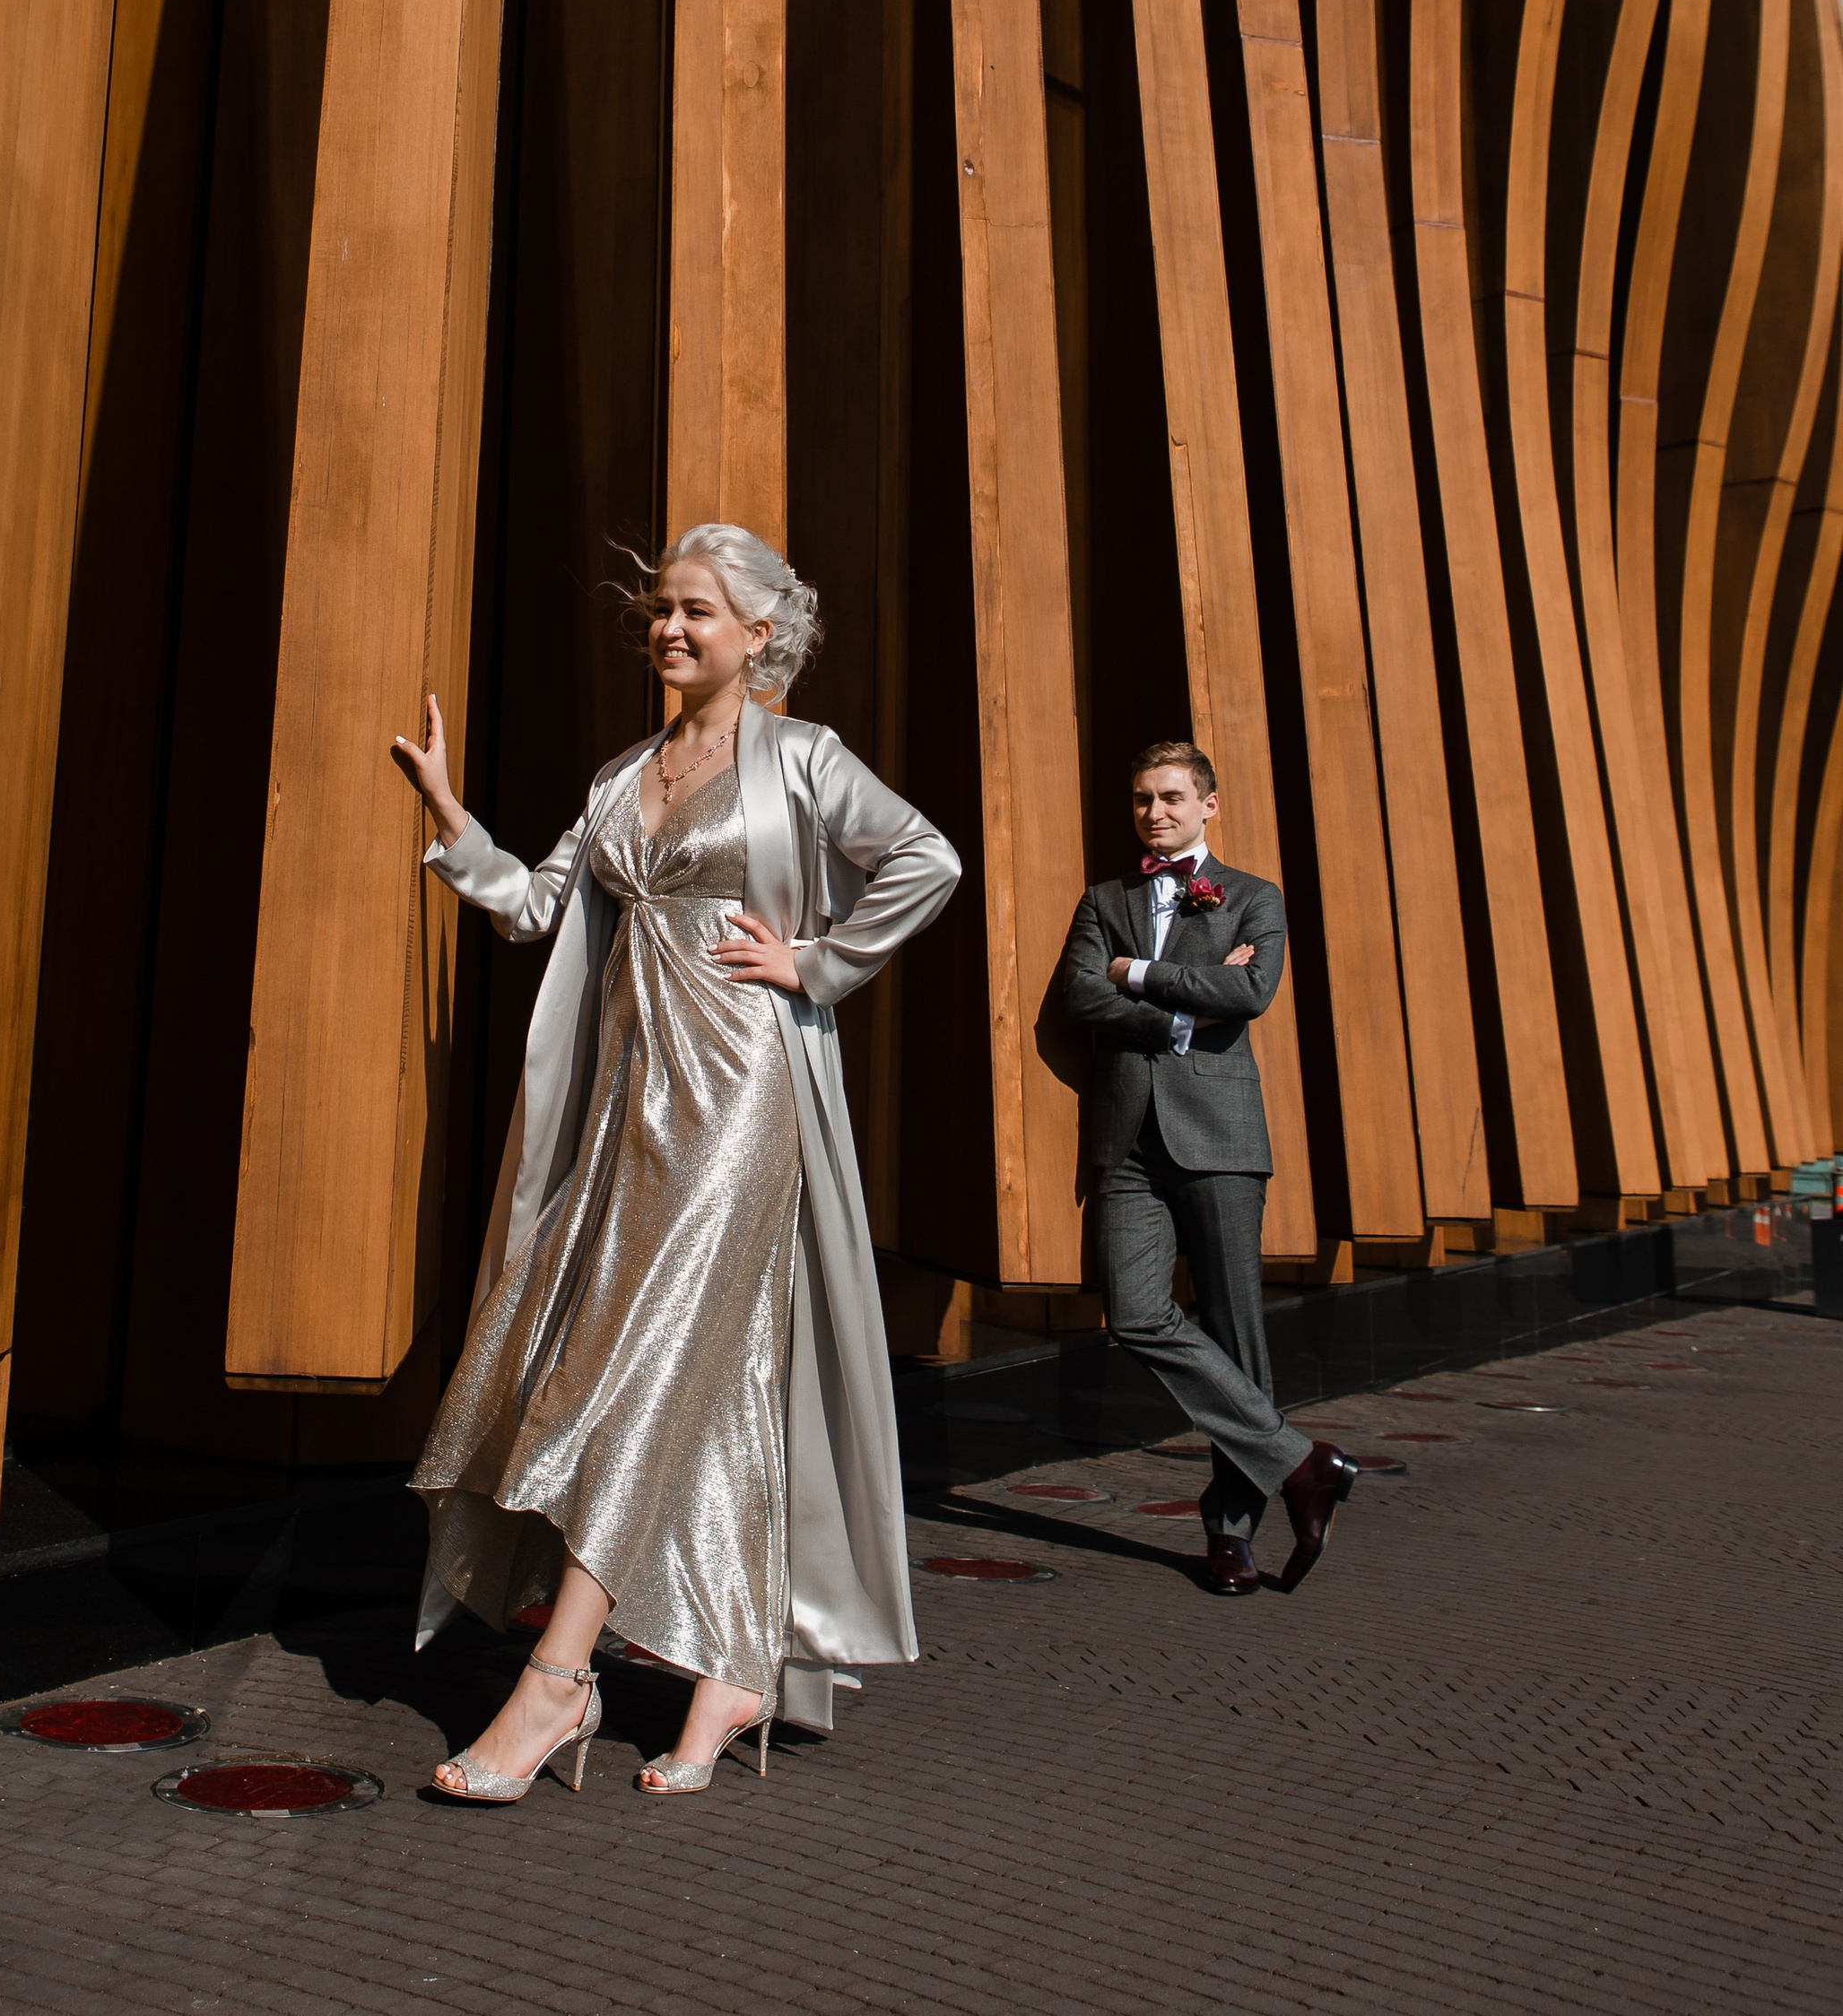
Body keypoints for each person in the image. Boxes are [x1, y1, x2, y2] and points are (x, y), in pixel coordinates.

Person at [388, 526, 959, 1802]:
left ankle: (558, 1679)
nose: (670, 629)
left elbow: (927, 857)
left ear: (760, 637)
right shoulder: (617, 778)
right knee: (668, 1368)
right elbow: (540, 907)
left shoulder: (801, 758)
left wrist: (815, 962)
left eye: (697, 610)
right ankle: (731, 1657)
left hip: (746, 1097)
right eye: (659, 611)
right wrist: (450, 817)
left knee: (642, 1368)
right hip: (631, 1104)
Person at [1056, 739, 1358, 1595]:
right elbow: (1081, 994)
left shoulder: (1253, 897)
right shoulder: (1104, 897)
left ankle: (1231, 1533)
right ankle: (1300, 1465)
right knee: (1136, 1312)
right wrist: (1177, 1006)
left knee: (1236, 1332)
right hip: (1126, 1141)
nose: (1156, 811)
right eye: (1144, 798)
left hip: (1220, 1135)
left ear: (1208, 805)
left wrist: (1139, 973)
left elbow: (1252, 994)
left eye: (1173, 797)